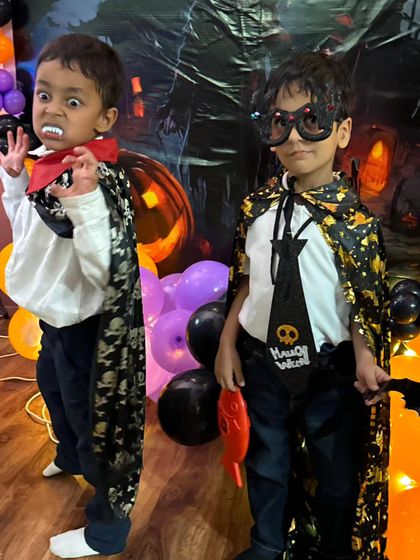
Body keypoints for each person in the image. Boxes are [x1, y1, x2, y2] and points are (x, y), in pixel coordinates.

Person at [215, 52, 391, 560]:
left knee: (335, 469)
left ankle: (333, 550)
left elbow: (361, 305)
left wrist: (364, 358)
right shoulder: (257, 208)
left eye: (312, 120)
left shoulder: (356, 226)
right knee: (266, 461)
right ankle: (268, 544)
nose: (294, 137)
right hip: (262, 365)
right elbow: (246, 283)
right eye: (280, 122)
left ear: (342, 130)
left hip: (328, 373)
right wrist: (227, 344)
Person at [0, 34, 145, 559]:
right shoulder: (44, 162)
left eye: (73, 100)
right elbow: (27, 228)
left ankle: (107, 530)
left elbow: (107, 270)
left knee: (96, 426)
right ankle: (70, 455)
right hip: (52, 323)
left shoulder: (98, 180)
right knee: (55, 396)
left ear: (105, 119)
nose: (53, 109)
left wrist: (84, 204)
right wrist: (16, 180)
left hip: (89, 333)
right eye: (44, 95)